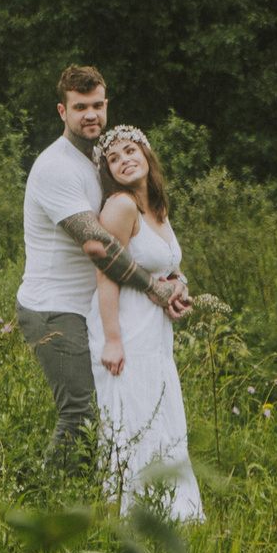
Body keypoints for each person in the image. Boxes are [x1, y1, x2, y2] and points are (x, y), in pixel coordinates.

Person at [15, 65, 187, 477]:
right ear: (62, 111)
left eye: (96, 105)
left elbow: (134, 229)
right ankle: (46, 501)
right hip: (54, 307)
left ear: (106, 106)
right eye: (80, 107)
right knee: (81, 412)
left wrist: (173, 278)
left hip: (92, 306)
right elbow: (98, 245)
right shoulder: (56, 166)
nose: (90, 115)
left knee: (111, 413)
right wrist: (153, 288)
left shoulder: (100, 159)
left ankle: (102, 499)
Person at [88, 125, 203, 521]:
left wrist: (179, 290)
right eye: (113, 158)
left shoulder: (156, 207)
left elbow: (168, 265)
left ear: (146, 154)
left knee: (161, 414)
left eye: (130, 150)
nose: (124, 160)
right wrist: (112, 339)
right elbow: (106, 272)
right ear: (108, 172)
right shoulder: (121, 205)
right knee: (134, 415)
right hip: (126, 325)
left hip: (155, 330)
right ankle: (130, 516)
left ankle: (173, 512)